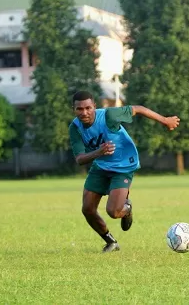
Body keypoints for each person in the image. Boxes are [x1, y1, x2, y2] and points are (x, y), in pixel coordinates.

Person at [69, 91, 180, 253]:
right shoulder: (75, 128)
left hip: (123, 165)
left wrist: (165, 121)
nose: (84, 112)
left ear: (95, 106)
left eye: (88, 108)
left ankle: (127, 209)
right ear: (74, 109)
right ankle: (111, 242)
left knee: (114, 212)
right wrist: (99, 153)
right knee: (87, 209)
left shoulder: (109, 116)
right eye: (79, 109)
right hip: (100, 166)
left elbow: (139, 109)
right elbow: (80, 159)